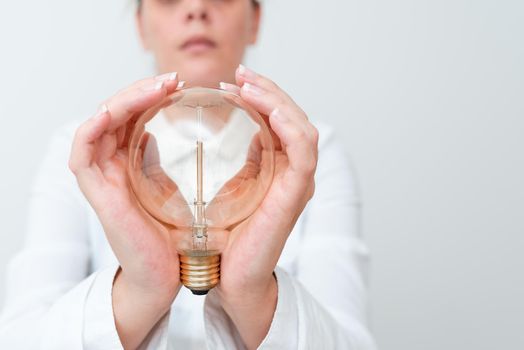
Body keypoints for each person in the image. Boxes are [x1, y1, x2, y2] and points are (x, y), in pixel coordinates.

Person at [0, 0, 377, 349]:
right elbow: (20, 336)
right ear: (141, 26)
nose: (196, 8)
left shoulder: (306, 154)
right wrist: (141, 289)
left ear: (255, 19)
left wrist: (252, 292)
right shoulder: (88, 154)